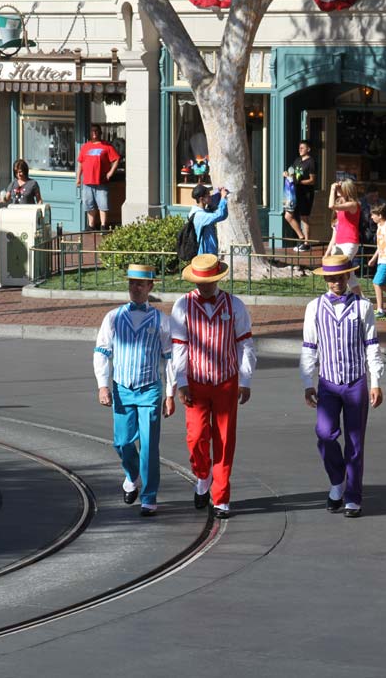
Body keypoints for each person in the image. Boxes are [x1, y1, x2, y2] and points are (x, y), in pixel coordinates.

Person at [171, 254, 257, 520]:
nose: (204, 286)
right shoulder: (182, 305)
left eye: (209, 281)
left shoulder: (235, 305)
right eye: (200, 281)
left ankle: (221, 497)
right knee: (196, 437)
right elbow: (178, 347)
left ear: (218, 279)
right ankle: (202, 475)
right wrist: (181, 382)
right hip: (196, 382)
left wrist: (245, 380)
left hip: (226, 381)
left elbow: (245, 345)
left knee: (224, 439)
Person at [300, 254, 384, 518]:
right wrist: (307, 382)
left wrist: (376, 381)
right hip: (327, 382)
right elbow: (309, 347)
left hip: (356, 381)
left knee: (355, 442)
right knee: (325, 434)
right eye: (331, 278)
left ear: (348, 276)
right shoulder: (314, 307)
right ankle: (337, 481)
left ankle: (353, 496)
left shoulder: (363, 306)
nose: (336, 282)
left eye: (340, 276)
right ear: (325, 279)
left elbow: (372, 346)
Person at [94, 265, 177, 517]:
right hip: (122, 387)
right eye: (132, 283)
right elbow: (102, 352)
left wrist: (170, 392)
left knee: (150, 444)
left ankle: (149, 496)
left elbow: (170, 357)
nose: (135, 288)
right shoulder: (114, 317)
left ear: (150, 287)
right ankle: (132, 475)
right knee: (122, 442)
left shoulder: (162, 320)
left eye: (140, 284)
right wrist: (103, 385)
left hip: (150, 388)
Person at [76, 125, 121, 231]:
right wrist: (78, 178)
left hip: (101, 182)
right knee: (89, 205)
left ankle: (103, 226)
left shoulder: (106, 146)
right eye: (92, 131)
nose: (94, 133)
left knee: (103, 205)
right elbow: (80, 164)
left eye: (96, 131)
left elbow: (116, 159)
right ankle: (91, 226)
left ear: (100, 133)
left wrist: (110, 173)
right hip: (87, 181)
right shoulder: (85, 147)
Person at [326, 179, 362, 294]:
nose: (337, 188)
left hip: (350, 242)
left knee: (338, 269)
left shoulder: (353, 204)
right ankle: (360, 298)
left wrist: (332, 188)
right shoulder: (341, 205)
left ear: (346, 190)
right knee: (347, 272)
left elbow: (331, 205)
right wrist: (327, 252)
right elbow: (335, 233)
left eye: (340, 187)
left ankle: (336, 294)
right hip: (339, 243)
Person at [282, 139, 317, 252]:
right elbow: (291, 171)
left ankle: (307, 244)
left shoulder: (311, 162)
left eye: (303, 148)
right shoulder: (297, 160)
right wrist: (286, 173)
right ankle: (301, 237)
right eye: (299, 148)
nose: (300, 149)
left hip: (305, 193)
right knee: (288, 215)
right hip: (293, 193)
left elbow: (312, 180)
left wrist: (299, 182)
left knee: (304, 217)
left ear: (308, 149)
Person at [189, 183, 229, 256]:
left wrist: (218, 192)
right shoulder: (200, 216)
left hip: (208, 253)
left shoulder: (202, 211)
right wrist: (223, 198)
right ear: (201, 199)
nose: (210, 197)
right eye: (208, 195)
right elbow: (221, 215)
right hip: (205, 256)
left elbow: (211, 205)